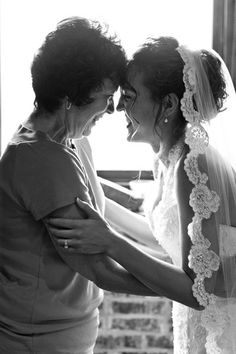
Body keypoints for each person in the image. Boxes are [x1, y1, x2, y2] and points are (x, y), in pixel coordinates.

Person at [47, 37, 236, 353]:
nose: (119, 106)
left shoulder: (194, 163)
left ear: (169, 104)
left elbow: (199, 289)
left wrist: (110, 242)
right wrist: (91, 196)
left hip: (222, 325)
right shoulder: (172, 157)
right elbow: (166, 239)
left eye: (130, 96)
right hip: (197, 320)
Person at [0, 17, 163, 354]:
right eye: (106, 95)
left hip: (67, 330)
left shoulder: (72, 142)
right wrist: (184, 288)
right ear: (70, 96)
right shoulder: (40, 158)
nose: (112, 107)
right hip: (36, 341)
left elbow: (91, 204)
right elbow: (102, 271)